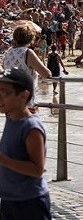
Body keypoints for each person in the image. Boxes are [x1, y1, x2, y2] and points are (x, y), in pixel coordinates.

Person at [0, 67, 51, 219]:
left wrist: (3, 160)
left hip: (30, 202)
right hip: (9, 198)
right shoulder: (11, 117)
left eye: (4, 93)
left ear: (24, 95)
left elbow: (37, 169)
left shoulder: (31, 127)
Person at [3, 26, 51, 109]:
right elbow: (46, 74)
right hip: (24, 101)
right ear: (30, 39)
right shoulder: (27, 52)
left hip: (10, 100)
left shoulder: (8, 52)